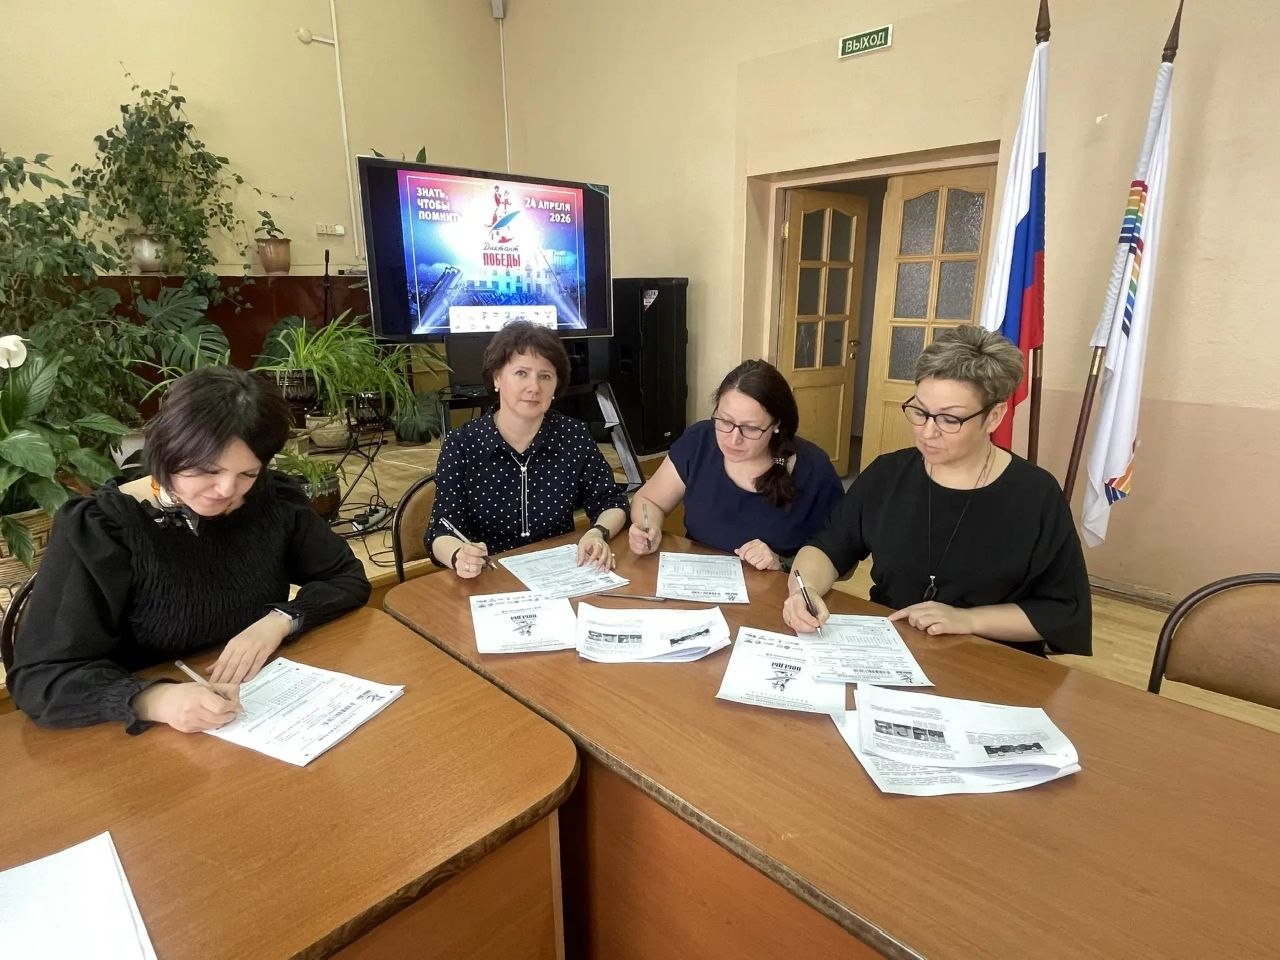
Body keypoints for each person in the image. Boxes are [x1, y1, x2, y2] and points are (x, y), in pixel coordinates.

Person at [8, 368, 372, 734]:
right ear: (166, 451)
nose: (226, 490)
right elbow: (41, 678)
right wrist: (154, 699)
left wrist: (280, 620)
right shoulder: (103, 529)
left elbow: (345, 577)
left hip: (257, 703)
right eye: (206, 470)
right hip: (146, 737)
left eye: (247, 474)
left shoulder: (272, 499)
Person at [782, 326, 1091, 656]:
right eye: (920, 412)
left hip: (990, 660)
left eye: (949, 419)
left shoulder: (1036, 495)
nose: (927, 432)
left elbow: (1062, 608)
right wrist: (804, 590)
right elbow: (827, 547)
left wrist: (967, 620)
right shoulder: (888, 474)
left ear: (994, 416)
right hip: (891, 647)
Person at [425, 321, 629, 578]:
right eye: (521, 373)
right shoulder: (462, 443)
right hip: (488, 577)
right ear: (497, 377)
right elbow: (441, 529)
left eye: (545, 376)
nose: (534, 387)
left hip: (560, 573)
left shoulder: (573, 435)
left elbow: (611, 501)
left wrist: (597, 533)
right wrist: (458, 555)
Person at [628, 359, 842, 570]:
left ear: (776, 424)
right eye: (725, 421)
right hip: (697, 580)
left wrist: (782, 563)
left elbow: (842, 560)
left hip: (774, 589)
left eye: (750, 428)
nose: (733, 439)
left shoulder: (814, 470)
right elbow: (649, 500)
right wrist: (648, 528)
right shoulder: (699, 442)